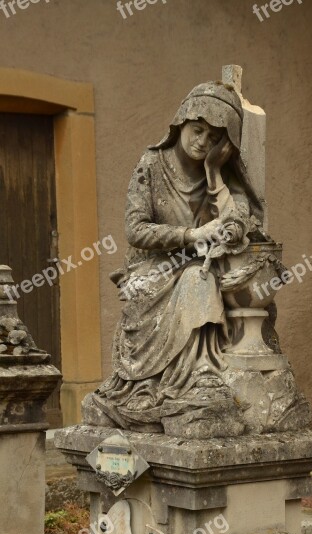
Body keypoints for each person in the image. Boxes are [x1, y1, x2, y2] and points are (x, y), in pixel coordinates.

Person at [83, 81, 266, 437]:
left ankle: (201, 375)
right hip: (153, 266)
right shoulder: (151, 164)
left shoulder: (219, 175)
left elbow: (239, 216)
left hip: (197, 266)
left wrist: (215, 179)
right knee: (193, 278)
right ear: (181, 123)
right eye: (197, 130)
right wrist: (191, 235)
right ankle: (158, 386)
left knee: (199, 278)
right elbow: (136, 230)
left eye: (214, 138)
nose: (202, 142)